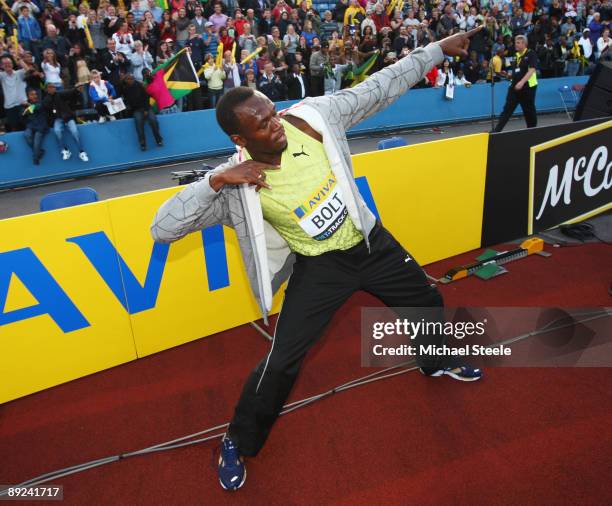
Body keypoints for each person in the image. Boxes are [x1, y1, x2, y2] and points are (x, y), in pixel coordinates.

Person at [150, 27, 483, 492]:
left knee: (426, 300)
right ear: (239, 137)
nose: (276, 125)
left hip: (370, 244)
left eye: (272, 112)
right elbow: (162, 228)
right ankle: (236, 440)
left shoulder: (312, 118)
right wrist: (218, 181)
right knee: (282, 361)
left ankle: (434, 361)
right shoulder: (236, 182)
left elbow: (379, 86)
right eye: (263, 124)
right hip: (320, 267)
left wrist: (433, 51)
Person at [492, 34, 538, 133]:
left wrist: (521, 82)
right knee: (507, 109)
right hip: (514, 87)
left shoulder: (531, 54)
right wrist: (509, 75)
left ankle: (533, 131)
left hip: (528, 87)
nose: (515, 44)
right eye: (515, 42)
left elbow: (532, 70)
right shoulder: (515, 55)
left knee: (529, 111)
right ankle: (496, 131)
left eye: (518, 42)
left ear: (524, 43)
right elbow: (516, 71)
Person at [43, 82, 89, 161]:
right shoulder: (46, 100)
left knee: (75, 132)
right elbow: (46, 108)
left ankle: (82, 152)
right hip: (58, 119)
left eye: (54, 87)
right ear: (47, 89)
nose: (53, 88)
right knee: (57, 131)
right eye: (51, 87)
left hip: (68, 118)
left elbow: (70, 92)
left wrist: (76, 89)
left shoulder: (60, 94)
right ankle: (65, 150)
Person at [122, 73, 163, 150]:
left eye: (132, 78)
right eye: (129, 79)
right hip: (136, 110)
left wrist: (145, 109)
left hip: (146, 108)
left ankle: (159, 140)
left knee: (153, 121)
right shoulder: (125, 89)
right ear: (125, 80)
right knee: (139, 124)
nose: (131, 80)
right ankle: (142, 144)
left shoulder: (140, 85)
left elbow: (146, 98)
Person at [0, 55, 28, 132]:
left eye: (9, 63)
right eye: (5, 64)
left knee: (26, 126)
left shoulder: (19, 73)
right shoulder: (2, 75)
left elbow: (28, 70)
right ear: (2, 66)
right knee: (14, 128)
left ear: (12, 64)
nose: (7, 65)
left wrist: (19, 59)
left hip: (22, 104)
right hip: (9, 106)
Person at [23, 88, 48, 165]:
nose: (35, 96)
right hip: (31, 126)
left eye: (35, 94)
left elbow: (36, 107)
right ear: (28, 96)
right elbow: (23, 114)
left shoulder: (40, 103)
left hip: (41, 126)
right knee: (27, 135)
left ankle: (35, 158)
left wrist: (28, 106)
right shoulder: (25, 106)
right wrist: (26, 109)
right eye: (32, 94)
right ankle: (40, 151)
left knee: (37, 142)